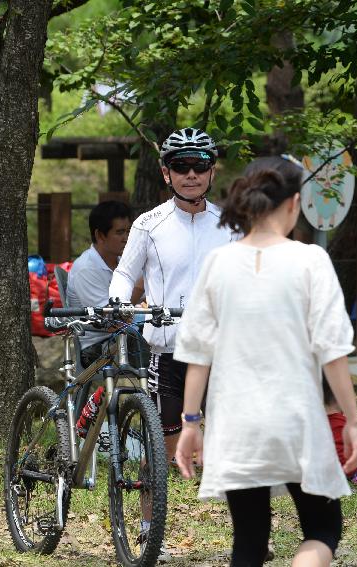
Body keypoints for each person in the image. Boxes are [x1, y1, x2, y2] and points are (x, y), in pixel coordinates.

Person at [173, 166, 357, 567]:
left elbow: (197, 355)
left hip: (235, 425)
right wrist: (351, 420)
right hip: (296, 420)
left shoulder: (217, 263)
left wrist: (191, 423)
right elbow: (332, 351)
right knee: (323, 530)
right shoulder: (311, 260)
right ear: (294, 204)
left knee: (248, 542)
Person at [108, 127, 236, 462]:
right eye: (181, 166)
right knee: (165, 458)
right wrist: (120, 303)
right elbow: (124, 274)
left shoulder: (231, 225)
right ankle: (152, 515)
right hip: (167, 353)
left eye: (199, 165)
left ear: (212, 171)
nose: (191, 174)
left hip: (219, 352)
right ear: (167, 173)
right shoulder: (148, 224)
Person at [66, 200, 139, 367]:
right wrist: (140, 286)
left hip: (125, 335)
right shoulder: (86, 269)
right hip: (98, 346)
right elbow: (112, 321)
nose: (126, 238)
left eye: (129, 231)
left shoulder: (123, 261)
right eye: (120, 232)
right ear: (100, 235)